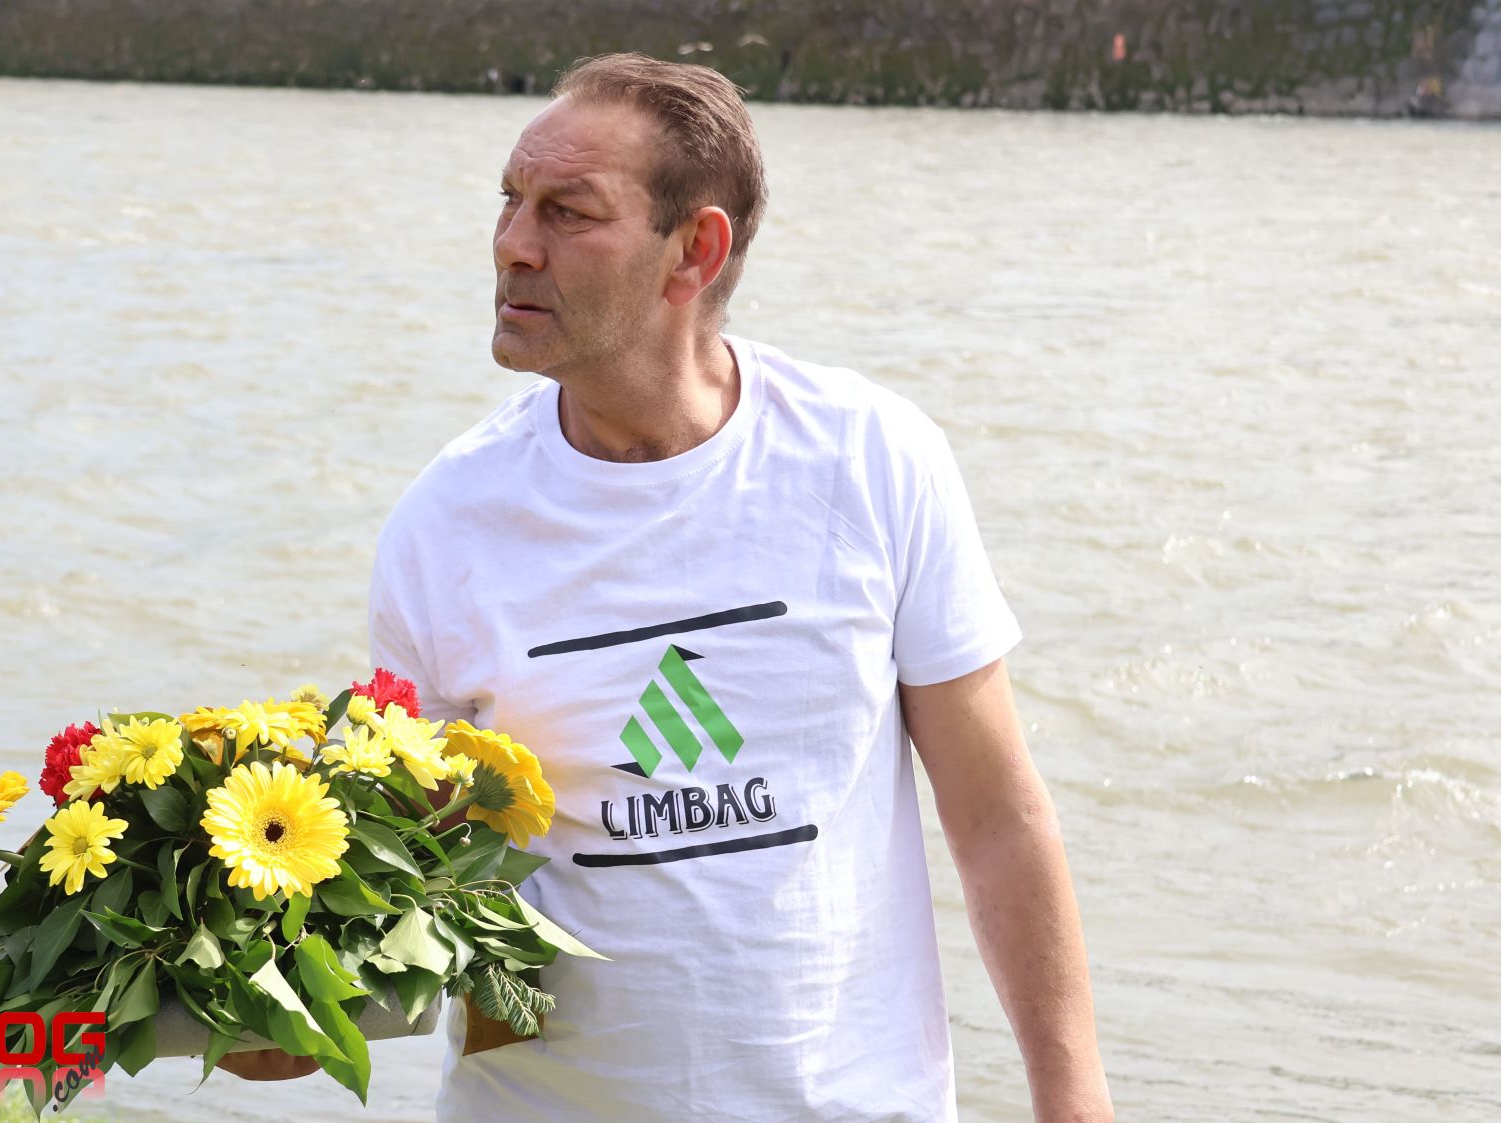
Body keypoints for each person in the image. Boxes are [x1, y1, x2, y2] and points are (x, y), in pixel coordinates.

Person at [221, 51, 1114, 1122]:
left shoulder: (869, 458)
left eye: (567, 212)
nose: (512, 244)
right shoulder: (443, 522)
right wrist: (297, 1005)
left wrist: (1074, 1103)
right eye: (510, 200)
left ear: (694, 250)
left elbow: (997, 816)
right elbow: (421, 872)